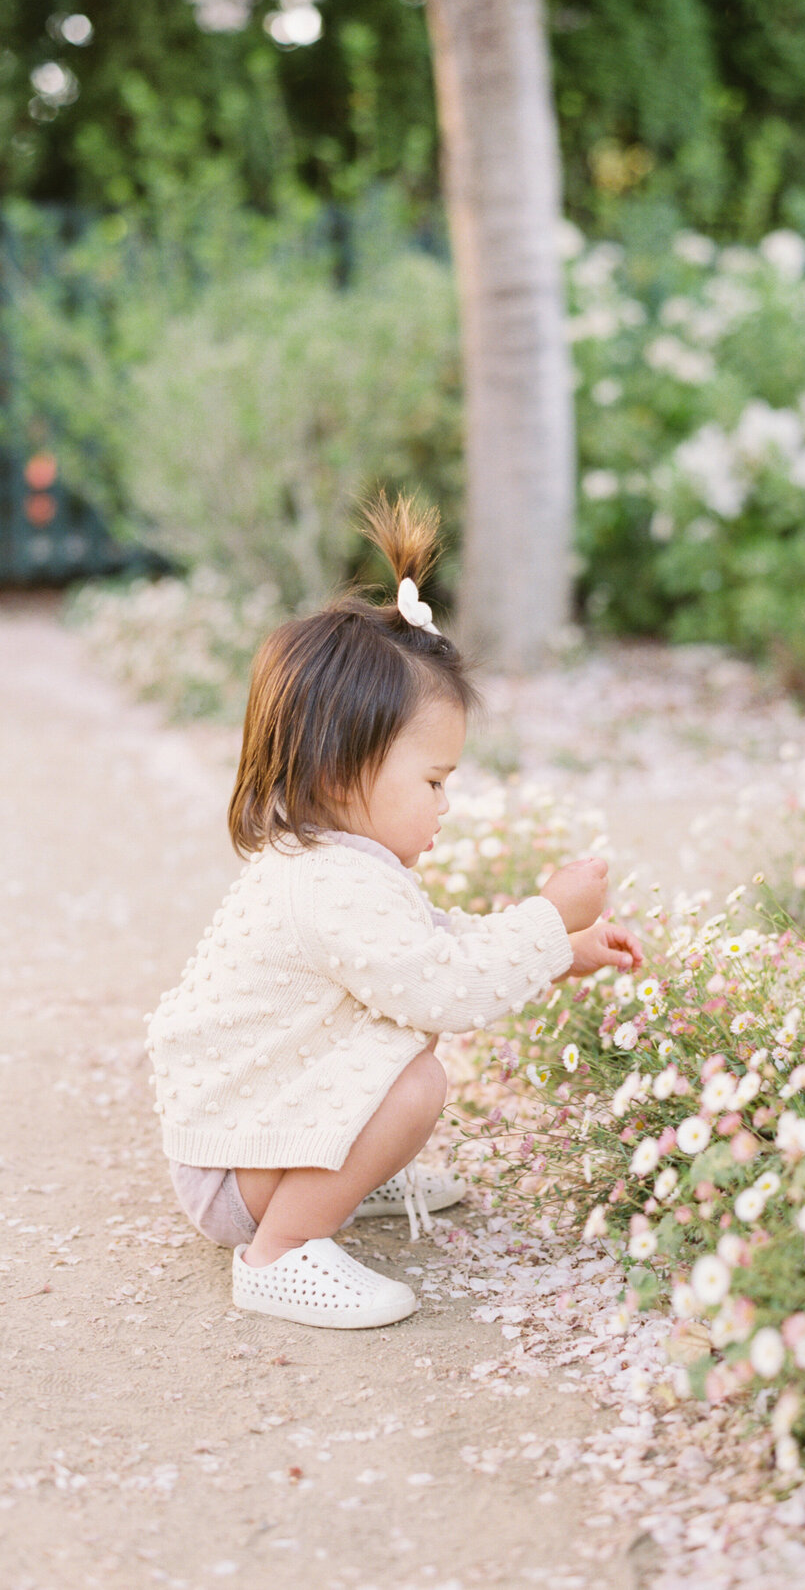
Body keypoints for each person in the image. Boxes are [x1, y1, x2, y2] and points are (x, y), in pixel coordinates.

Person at [145, 496, 644, 1329]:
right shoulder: (329, 883)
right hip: (235, 1169)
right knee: (414, 1084)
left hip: (246, 1138)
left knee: (403, 1051)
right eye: (435, 781)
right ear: (343, 774)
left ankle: (338, 1175)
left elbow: (437, 946)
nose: (447, 803)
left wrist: (569, 946)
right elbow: (443, 988)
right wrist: (548, 917)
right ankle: (279, 1253)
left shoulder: (341, 863)